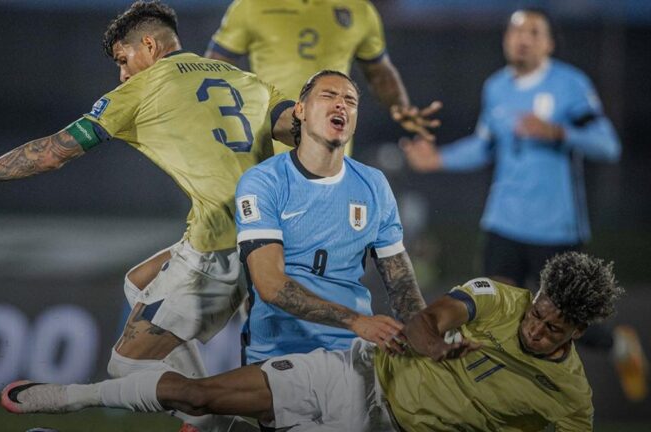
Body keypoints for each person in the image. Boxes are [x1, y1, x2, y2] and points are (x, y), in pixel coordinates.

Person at [0, 1, 297, 430]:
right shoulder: (245, 80)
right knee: (138, 283)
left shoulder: (140, 91)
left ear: (148, 44)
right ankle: (207, 419)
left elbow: (51, 154)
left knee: (125, 367)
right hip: (269, 239)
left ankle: (221, 411)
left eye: (123, 60)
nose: (122, 73)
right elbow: (300, 130)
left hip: (218, 249)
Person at [1, 251, 620, 432]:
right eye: (539, 313)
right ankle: (65, 397)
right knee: (201, 396)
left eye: (553, 329)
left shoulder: (569, 404)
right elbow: (429, 317)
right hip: (355, 375)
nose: (535, 328)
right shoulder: (498, 299)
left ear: (579, 333)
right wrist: (432, 343)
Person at [400, 8, 647, 401]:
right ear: (505, 40)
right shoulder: (496, 87)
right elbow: (485, 145)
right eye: (515, 31)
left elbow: (607, 144)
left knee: (560, 321)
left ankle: (617, 343)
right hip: (503, 222)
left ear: (548, 43)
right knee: (495, 313)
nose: (522, 38)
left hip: (556, 228)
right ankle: (501, 402)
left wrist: (558, 131)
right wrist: (438, 158)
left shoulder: (569, 84)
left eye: (533, 32)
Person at [234, 70, 426, 365]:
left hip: (353, 356)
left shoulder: (373, 183)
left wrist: (427, 336)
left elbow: (401, 285)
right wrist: (355, 321)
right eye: (328, 95)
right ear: (300, 111)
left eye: (350, 101)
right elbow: (270, 284)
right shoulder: (263, 181)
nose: (341, 105)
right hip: (279, 355)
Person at [206, 0, 442, 156]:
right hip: (268, 148)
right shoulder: (252, 6)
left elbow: (379, 72)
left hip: (331, 151)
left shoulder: (359, 10)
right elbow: (217, 68)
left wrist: (400, 105)